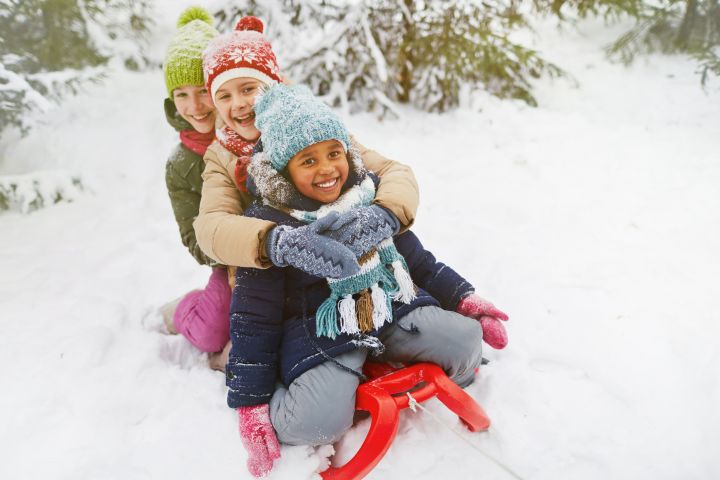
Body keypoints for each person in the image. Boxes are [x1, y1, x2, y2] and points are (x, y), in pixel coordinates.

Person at [226, 83, 510, 478]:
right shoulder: (270, 227)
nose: (327, 169)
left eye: (333, 153)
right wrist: (251, 401)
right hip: (319, 331)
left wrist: (463, 297)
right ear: (284, 172)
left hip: (388, 304)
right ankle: (302, 389)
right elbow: (254, 316)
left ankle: (387, 353)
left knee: (464, 343)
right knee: (314, 424)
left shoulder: (366, 198)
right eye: (307, 161)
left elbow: (418, 262)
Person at [193, 16, 421, 276]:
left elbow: (394, 171)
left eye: (248, 89)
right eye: (224, 95)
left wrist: (385, 214)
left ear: (272, 87)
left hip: (346, 265)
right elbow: (210, 226)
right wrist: (277, 242)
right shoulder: (221, 155)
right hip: (271, 281)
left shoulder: (311, 127)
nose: (239, 103)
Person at [159, 7, 230, 369]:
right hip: (233, 260)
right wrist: (240, 254)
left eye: (203, 91)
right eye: (181, 94)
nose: (195, 106)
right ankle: (183, 310)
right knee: (212, 332)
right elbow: (194, 239)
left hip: (282, 253)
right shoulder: (181, 166)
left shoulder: (249, 131)